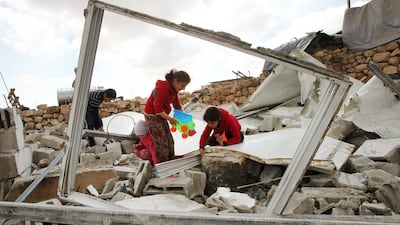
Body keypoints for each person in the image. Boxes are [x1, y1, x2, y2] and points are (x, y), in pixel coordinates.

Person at [144, 69, 191, 163]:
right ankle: (162, 163)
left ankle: (170, 159)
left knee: (169, 139)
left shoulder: (173, 90)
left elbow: (177, 105)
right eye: (182, 85)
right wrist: (170, 119)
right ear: (175, 81)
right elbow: (158, 109)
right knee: (161, 141)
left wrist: (183, 119)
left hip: (162, 115)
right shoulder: (162, 88)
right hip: (152, 116)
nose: (183, 88)